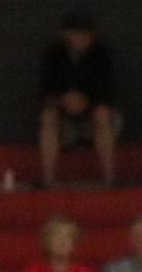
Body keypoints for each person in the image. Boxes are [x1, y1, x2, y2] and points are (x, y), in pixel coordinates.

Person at [37, 10, 119, 188]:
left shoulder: (101, 54)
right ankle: (48, 179)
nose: (81, 38)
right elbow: (46, 90)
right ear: (65, 35)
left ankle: (110, 178)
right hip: (63, 114)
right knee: (47, 117)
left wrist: (87, 101)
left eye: (85, 34)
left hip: (93, 111)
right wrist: (63, 100)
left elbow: (107, 90)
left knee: (103, 115)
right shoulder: (53, 55)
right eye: (76, 33)